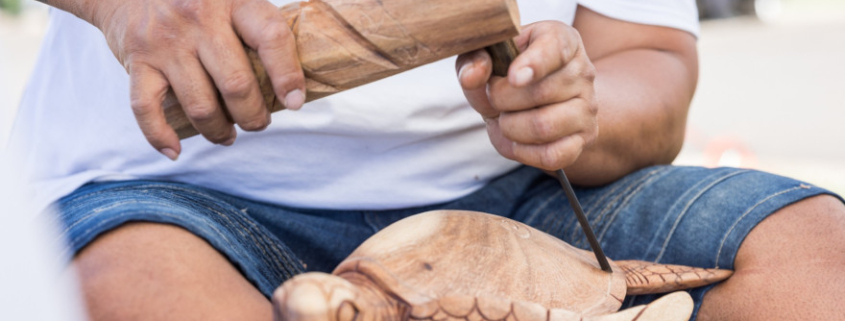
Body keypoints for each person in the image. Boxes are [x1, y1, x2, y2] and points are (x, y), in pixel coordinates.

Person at [10, 0, 845, 320]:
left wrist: (569, 110)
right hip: (171, 196)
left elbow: (649, 57)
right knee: (122, 297)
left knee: (813, 263)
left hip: (513, 190)